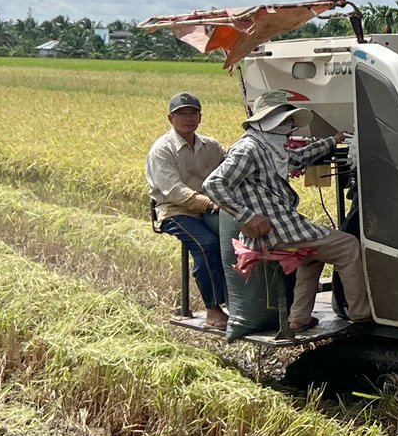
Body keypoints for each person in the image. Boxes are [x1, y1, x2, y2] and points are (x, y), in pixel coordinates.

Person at [202, 92, 372, 331]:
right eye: (281, 120)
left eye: (287, 120)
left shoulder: (267, 146)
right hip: (277, 229)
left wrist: (332, 141)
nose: (288, 125)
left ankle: (298, 319)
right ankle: (361, 313)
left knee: (311, 257)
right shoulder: (248, 149)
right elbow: (213, 183)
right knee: (347, 245)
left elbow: (296, 159)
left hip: (282, 227)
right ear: (263, 120)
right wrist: (248, 217)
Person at [145, 92, 229, 329]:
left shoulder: (211, 146)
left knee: (235, 238)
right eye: (181, 114)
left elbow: (228, 167)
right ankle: (213, 310)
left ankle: (239, 300)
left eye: (193, 113)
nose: (188, 118)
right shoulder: (162, 149)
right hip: (175, 211)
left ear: (200, 117)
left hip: (209, 208)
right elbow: (172, 190)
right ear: (170, 118)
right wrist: (210, 204)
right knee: (207, 244)